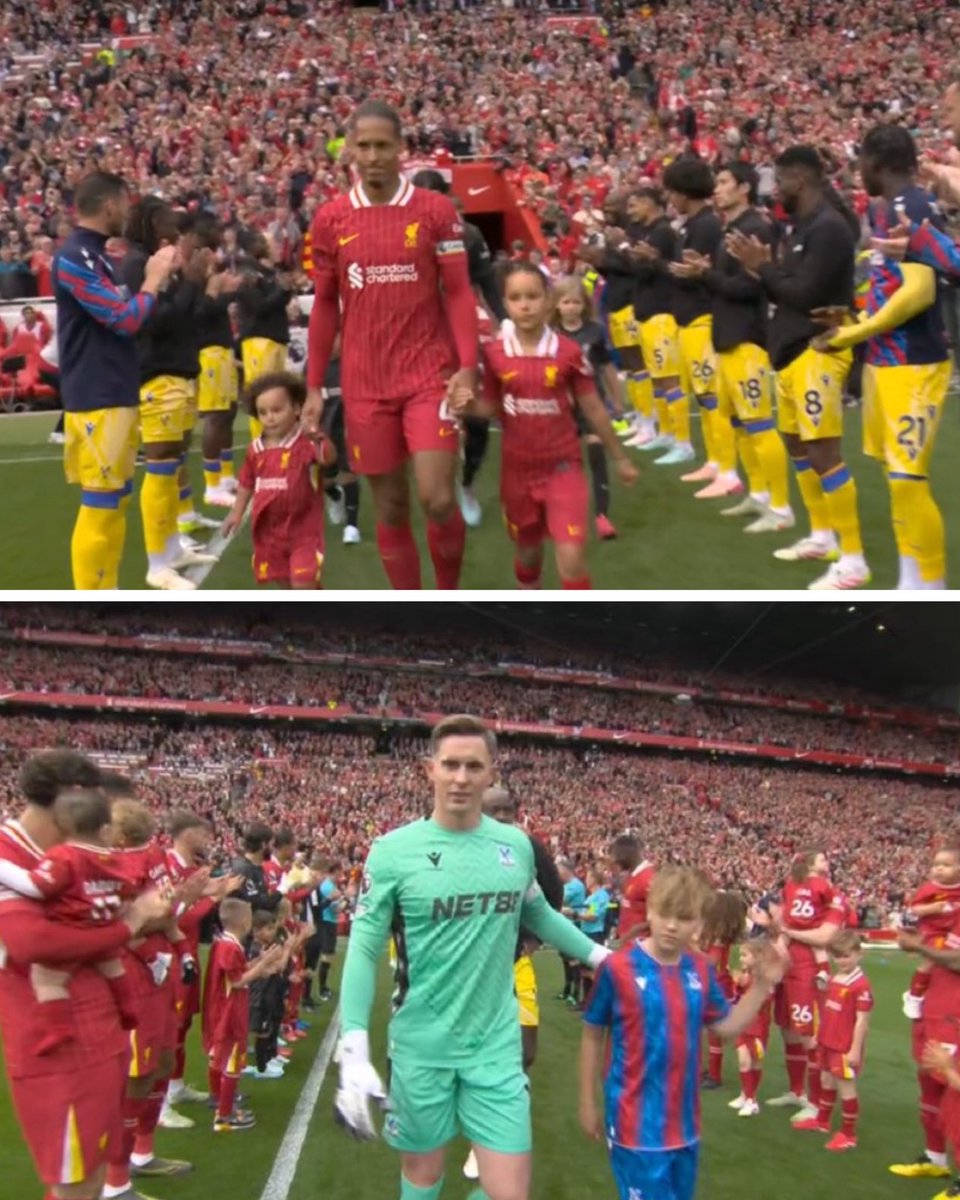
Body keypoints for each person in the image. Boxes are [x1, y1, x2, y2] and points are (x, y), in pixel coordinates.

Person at [334, 713, 614, 1200]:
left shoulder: (515, 846)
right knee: (422, 1180)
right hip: (421, 1045)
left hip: (495, 1046)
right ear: (430, 770)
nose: (461, 777)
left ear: (491, 773)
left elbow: (540, 914)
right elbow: (362, 945)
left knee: (510, 1194)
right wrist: (354, 1044)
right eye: (450, 765)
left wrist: (600, 956)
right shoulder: (392, 851)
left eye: (472, 766)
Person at [304, 99, 479, 591]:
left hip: (429, 376)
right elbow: (323, 306)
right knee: (391, 506)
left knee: (437, 498)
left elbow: (460, 291)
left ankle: (448, 594)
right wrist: (315, 385)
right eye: (365, 145)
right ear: (350, 152)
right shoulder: (331, 219)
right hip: (365, 384)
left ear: (401, 148)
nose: (374, 155)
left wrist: (468, 366)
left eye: (384, 145)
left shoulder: (435, 210)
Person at [0, 751, 172, 1200]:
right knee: (74, 1183)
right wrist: (130, 923)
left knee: (92, 1176)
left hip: (102, 1030)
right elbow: (32, 944)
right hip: (57, 1043)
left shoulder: (74, 855)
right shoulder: (9, 856)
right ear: (71, 797)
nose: (102, 819)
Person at [579, 867, 785, 1200]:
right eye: (665, 913)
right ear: (649, 910)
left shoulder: (701, 968)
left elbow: (725, 1026)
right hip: (634, 1122)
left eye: (685, 917)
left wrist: (763, 985)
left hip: (685, 1124)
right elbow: (592, 1033)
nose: (673, 925)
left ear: (699, 923)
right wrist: (588, 1102)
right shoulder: (617, 968)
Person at [817, 125, 950, 590]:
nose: (858, 173)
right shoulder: (884, 208)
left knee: (907, 478)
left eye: (860, 163)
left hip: (915, 361)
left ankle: (934, 585)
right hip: (886, 362)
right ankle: (911, 579)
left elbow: (920, 291)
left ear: (877, 163)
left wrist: (855, 332)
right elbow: (886, 284)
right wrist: (854, 312)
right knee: (896, 477)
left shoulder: (912, 205)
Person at [449, 262, 637, 590]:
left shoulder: (568, 352)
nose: (525, 305)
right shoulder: (494, 354)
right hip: (518, 473)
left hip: (563, 467)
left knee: (572, 559)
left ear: (548, 299)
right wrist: (465, 406)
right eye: (516, 297)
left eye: (533, 296)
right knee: (528, 553)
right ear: (505, 303)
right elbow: (490, 407)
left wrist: (619, 457)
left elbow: (592, 406)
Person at [728, 146, 866, 590]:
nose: (775, 192)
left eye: (780, 182)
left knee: (824, 453)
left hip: (817, 351)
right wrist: (760, 271)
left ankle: (854, 559)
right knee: (798, 448)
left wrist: (764, 268)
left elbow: (804, 294)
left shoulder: (828, 228)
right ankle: (823, 536)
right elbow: (785, 288)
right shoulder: (802, 226)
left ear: (800, 181)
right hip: (789, 351)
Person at [53, 171, 177, 589]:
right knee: (101, 505)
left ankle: (108, 585)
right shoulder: (73, 257)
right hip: (96, 396)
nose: (128, 211)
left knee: (116, 502)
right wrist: (154, 279)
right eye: (125, 203)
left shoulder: (100, 257)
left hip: (115, 391)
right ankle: (90, 596)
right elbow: (125, 319)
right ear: (109, 205)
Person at [683, 163, 793, 532]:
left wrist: (705, 274)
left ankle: (781, 507)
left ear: (744, 187)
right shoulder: (730, 228)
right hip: (727, 336)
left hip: (748, 338)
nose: (717, 189)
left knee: (759, 424)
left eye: (724, 182)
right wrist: (705, 272)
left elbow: (751, 287)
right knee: (740, 424)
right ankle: (759, 494)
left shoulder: (756, 228)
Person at [121, 196, 218, 590]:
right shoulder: (136, 265)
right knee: (160, 465)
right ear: (147, 223)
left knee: (174, 461)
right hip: (157, 375)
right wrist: (191, 281)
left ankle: (173, 547)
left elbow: (186, 316)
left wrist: (193, 283)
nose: (174, 232)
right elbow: (153, 322)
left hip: (180, 371)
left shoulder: (165, 261)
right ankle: (157, 563)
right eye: (165, 223)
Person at [0, 788, 140, 1053]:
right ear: (104, 830)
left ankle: (59, 1029)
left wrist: (4, 870)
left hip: (74, 927)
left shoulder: (65, 856)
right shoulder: (116, 860)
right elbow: (128, 890)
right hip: (104, 924)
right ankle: (128, 1007)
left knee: (46, 980)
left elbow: (39, 886)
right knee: (113, 966)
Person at [410, 168, 505, 530]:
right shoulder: (397, 233)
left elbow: (485, 282)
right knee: (429, 413)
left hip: (462, 329)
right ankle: (439, 482)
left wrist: (505, 320)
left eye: (432, 193)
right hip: (419, 335)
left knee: (475, 413)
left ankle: (466, 483)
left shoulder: (466, 234)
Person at [223, 372, 335, 589]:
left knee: (303, 583)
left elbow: (328, 459)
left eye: (276, 410)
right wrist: (236, 513)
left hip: (304, 531)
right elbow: (246, 481)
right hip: (269, 534)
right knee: (285, 584)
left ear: (295, 408)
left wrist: (317, 435)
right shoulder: (255, 450)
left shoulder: (304, 444)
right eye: (263, 413)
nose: (270, 418)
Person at [662, 157, 730, 481]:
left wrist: (686, 272)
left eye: (672, 191)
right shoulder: (692, 223)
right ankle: (714, 459)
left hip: (702, 317)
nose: (670, 198)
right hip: (689, 319)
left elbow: (700, 270)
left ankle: (724, 464)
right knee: (703, 396)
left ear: (683, 191)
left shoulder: (706, 225)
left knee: (710, 394)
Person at [766, 848, 845, 1125]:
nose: (828, 862)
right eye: (823, 858)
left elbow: (825, 936)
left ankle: (816, 1102)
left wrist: (788, 933)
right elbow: (785, 922)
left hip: (808, 967)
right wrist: (780, 938)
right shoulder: (794, 886)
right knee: (788, 1029)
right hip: (789, 962)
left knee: (809, 1034)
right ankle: (796, 1091)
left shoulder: (830, 891)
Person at [552, 275, 630, 539]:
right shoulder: (550, 333)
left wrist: (616, 399)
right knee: (562, 462)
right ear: (557, 305)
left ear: (584, 304)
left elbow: (607, 367)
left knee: (597, 453)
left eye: (576, 302)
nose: (572, 307)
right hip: (560, 407)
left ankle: (602, 516)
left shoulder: (595, 332)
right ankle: (559, 512)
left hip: (591, 402)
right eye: (566, 302)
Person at [576, 191, 654, 446]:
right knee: (631, 367)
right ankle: (641, 415)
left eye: (613, 205)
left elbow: (634, 268)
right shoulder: (611, 235)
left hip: (632, 305)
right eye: (605, 205)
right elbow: (614, 272)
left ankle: (649, 422)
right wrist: (595, 261)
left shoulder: (631, 234)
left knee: (639, 364)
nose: (607, 210)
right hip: (617, 306)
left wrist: (605, 256)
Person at [203, 897, 284, 1131]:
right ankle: (224, 1116)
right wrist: (264, 963)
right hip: (229, 1010)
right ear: (244, 922)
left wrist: (259, 962)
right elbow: (238, 981)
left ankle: (218, 1100)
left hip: (223, 1008)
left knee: (218, 1055)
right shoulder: (229, 947)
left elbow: (239, 971)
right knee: (232, 1060)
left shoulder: (227, 944)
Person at [793, 930, 873, 1150]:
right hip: (828, 1041)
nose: (842, 960)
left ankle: (848, 1134)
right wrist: (820, 1034)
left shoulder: (861, 985)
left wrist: (855, 1049)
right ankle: (822, 1122)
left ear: (859, 954)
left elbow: (862, 1021)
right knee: (826, 1081)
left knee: (845, 1086)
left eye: (847, 955)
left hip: (844, 1045)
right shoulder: (836, 978)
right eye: (837, 956)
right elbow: (828, 1010)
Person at [624, 186, 680, 452]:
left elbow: (648, 271)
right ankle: (666, 432)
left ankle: (681, 440)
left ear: (649, 204)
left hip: (661, 314)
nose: (630, 210)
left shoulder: (663, 232)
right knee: (657, 379)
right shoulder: (650, 232)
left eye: (635, 204)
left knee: (668, 379)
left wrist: (629, 253)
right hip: (648, 314)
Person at [194, 217, 243, 509]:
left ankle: (224, 476)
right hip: (209, 351)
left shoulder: (208, 278)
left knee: (227, 412)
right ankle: (211, 485)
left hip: (221, 349)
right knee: (214, 416)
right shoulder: (198, 280)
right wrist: (220, 289)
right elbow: (202, 312)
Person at [903, 842, 960, 1020]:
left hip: (952, 931)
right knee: (930, 962)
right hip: (933, 931)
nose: (939, 869)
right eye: (936, 865)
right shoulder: (930, 888)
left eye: (946, 865)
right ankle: (913, 996)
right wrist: (933, 908)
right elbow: (914, 909)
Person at [700, 890, 747, 1090]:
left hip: (717, 986)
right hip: (713, 984)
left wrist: (692, 950)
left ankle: (714, 1075)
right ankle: (707, 1070)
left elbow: (711, 962)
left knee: (714, 1032)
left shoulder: (719, 939)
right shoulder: (716, 936)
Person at [728, 938, 774, 1118]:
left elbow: (763, 1000)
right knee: (743, 1061)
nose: (741, 959)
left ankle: (751, 1099)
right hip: (744, 1024)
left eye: (745, 955)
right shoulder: (747, 973)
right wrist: (738, 985)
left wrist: (745, 984)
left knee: (752, 1061)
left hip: (757, 1026)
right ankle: (745, 1095)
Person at [609, 833, 655, 945]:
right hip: (627, 944)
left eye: (615, 856)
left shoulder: (649, 878)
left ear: (625, 854)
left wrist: (628, 935)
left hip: (641, 947)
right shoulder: (632, 876)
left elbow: (656, 919)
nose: (615, 860)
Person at [559, 860, 588, 1006]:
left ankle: (575, 993)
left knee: (573, 961)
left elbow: (560, 899)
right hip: (565, 925)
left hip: (573, 926)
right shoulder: (567, 885)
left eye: (559, 870)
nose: (558, 874)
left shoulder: (576, 885)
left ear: (566, 870)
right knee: (565, 959)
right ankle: (567, 990)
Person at [315, 857, 343, 1002]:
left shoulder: (331, 885)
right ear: (336, 871)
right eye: (340, 871)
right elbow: (336, 909)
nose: (341, 874)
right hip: (326, 922)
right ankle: (322, 989)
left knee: (328, 956)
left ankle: (323, 987)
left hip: (329, 921)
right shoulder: (327, 887)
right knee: (326, 956)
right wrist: (347, 899)